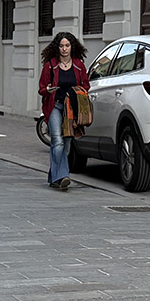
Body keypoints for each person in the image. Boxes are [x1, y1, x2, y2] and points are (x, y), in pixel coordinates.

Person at [37, 31, 89, 190]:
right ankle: (63, 176)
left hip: (71, 109)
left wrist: (78, 92)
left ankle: (54, 177)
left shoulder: (79, 65)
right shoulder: (50, 65)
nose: (64, 49)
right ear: (57, 47)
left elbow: (86, 86)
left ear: (72, 47)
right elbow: (41, 88)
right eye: (61, 46)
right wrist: (48, 90)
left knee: (66, 144)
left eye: (67, 45)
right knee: (57, 140)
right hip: (55, 106)